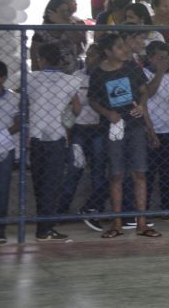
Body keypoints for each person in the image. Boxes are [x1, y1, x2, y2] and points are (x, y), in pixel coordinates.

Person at [88, 33, 161, 239]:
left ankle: (142, 223)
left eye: (123, 46)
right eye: (119, 47)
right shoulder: (98, 73)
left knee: (140, 173)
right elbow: (92, 100)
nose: (124, 50)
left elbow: (144, 90)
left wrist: (141, 106)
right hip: (114, 128)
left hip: (135, 126)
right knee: (116, 175)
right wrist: (107, 113)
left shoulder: (131, 67)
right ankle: (117, 223)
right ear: (108, 52)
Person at [27, 43, 82, 241]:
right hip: (57, 135)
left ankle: (42, 227)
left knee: (39, 183)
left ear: (41, 60)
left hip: (35, 135)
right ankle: (46, 227)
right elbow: (77, 108)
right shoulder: (70, 81)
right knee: (52, 183)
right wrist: (66, 118)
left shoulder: (31, 78)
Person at [56, 44, 108, 232]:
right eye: (87, 55)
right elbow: (70, 105)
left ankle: (94, 211)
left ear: (102, 58)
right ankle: (60, 212)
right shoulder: (77, 77)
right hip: (79, 130)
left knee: (98, 174)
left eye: (92, 56)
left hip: (99, 130)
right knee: (74, 170)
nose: (88, 59)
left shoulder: (105, 76)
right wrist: (68, 130)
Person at [142, 41, 169, 220]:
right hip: (151, 129)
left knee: (168, 172)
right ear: (150, 58)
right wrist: (159, 71)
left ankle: (167, 209)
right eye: (160, 58)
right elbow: (149, 93)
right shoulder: (144, 74)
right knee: (148, 172)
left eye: (166, 58)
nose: (164, 61)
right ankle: (143, 210)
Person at [0, 61, 20, 244]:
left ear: (3, 78)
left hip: (4, 147)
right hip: (4, 141)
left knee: (2, 189)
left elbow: (18, 122)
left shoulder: (13, 98)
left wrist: (2, 135)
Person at [30, 0, 85, 73]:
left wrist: (62, 22)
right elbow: (34, 57)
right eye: (62, 11)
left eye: (67, 11)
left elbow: (78, 39)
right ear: (51, 13)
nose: (66, 14)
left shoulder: (71, 26)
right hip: (49, 75)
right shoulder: (41, 32)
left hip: (73, 75)